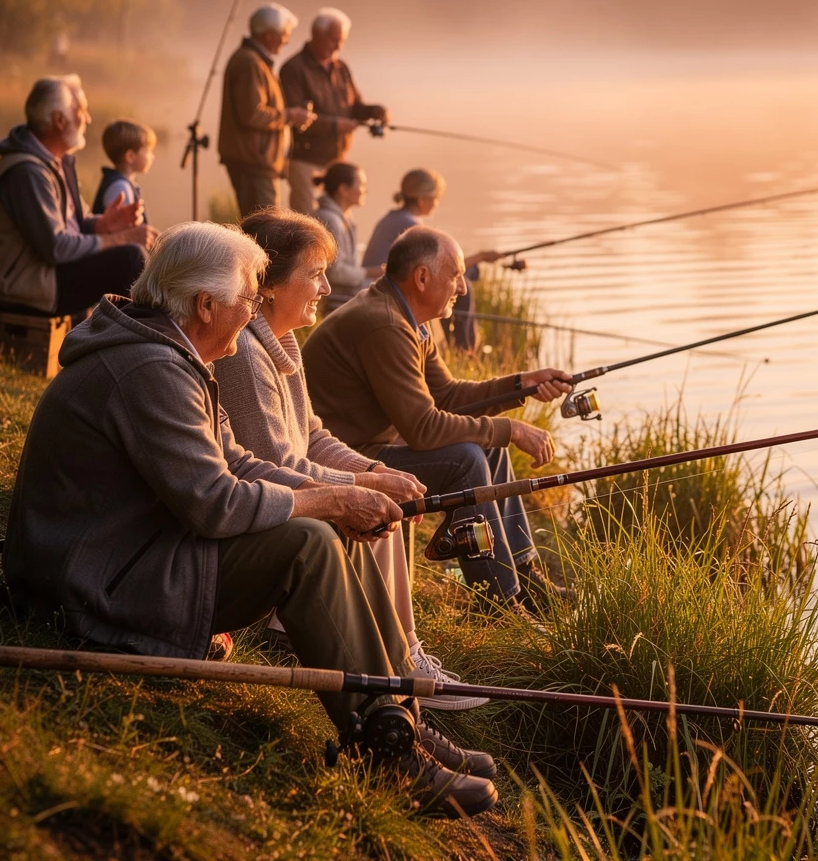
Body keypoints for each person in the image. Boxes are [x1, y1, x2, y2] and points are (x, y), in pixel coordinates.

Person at [1, 221, 497, 818]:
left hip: (134, 552)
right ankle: (386, 753)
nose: (252, 308)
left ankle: (399, 716)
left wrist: (345, 492)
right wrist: (333, 499)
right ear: (204, 304)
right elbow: (215, 502)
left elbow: (237, 460)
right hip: (93, 584)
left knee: (332, 523)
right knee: (309, 543)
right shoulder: (150, 370)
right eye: (244, 297)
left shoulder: (175, 353)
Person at [214, 207, 486, 711]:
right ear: (268, 285)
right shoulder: (248, 357)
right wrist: (361, 485)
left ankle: (402, 654)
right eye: (315, 274)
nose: (325, 286)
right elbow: (280, 464)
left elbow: (312, 435)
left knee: (382, 501)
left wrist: (374, 471)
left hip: (279, 495)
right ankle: (397, 661)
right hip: (259, 511)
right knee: (374, 510)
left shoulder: (282, 340)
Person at [302, 226, 572, 612]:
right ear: (422, 277)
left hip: (370, 446)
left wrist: (521, 384)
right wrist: (509, 430)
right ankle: (499, 600)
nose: (461, 288)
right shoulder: (386, 324)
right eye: (456, 275)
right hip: (344, 458)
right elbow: (424, 429)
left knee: (488, 450)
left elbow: (446, 396)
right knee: (467, 460)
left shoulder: (405, 315)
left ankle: (524, 574)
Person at [0, 74, 156, 317]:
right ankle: (145, 346)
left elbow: (77, 223)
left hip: (50, 275)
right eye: (81, 111)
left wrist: (102, 225)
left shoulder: (57, 163)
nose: (88, 119)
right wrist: (120, 238)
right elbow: (56, 247)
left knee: (133, 256)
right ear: (59, 120)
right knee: (130, 258)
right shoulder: (27, 172)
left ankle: (131, 343)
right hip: (24, 289)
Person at [362, 168, 505, 351]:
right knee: (463, 287)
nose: (437, 204)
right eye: (435, 198)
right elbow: (441, 265)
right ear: (422, 200)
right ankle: (465, 350)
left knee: (458, 281)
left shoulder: (393, 217)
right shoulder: (411, 225)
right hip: (381, 285)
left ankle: (460, 347)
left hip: (382, 281)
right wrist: (481, 257)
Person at [279, 8, 387, 215]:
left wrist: (375, 112)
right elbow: (296, 119)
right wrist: (337, 125)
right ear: (315, 35)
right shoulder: (293, 69)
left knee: (338, 223)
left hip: (338, 162)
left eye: (342, 40)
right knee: (308, 226)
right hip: (305, 161)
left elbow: (355, 108)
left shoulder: (341, 68)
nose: (338, 46)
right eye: (333, 39)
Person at [218, 3, 316, 217]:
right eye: (284, 34)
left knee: (266, 224)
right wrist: (290, 116)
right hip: (252, 162)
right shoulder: (249, 63)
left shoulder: (257, 61)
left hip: (258, 161)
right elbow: (252, 114)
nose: (287, 40)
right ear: (269, 35)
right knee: (266, 226)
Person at [311, 162, 382, 312]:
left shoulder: (344, 216)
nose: (365, 190)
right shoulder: (331, 220)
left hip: (347, 292)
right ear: (343, 189)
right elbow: (335, 273)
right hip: (335, 297)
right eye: (361, 185)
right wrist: (372, 272)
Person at [92, 119, 155, 222]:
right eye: (148, 151)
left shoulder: (122, 183)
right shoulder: (120, 188)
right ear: (130, 156)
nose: (152, 156)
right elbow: (125, 233)